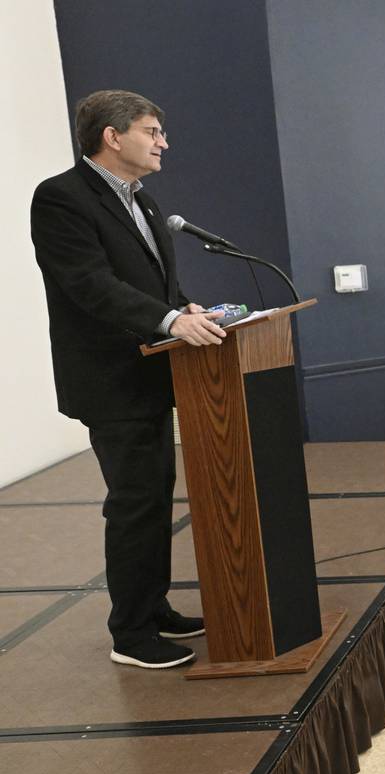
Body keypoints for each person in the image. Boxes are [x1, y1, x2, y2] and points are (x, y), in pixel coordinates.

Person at [31, 90, 225, 669]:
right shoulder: (61, 198)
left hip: (150, 370)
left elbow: (155, 288)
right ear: (112, 137)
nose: (163, 142)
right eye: (152, 131)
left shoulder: (140, 198)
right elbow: (87, 283)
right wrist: (168, 319)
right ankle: (131, 636)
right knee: (135, 501)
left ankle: (153, 607)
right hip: (109, 378)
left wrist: (188, 312)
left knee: (152, 496)